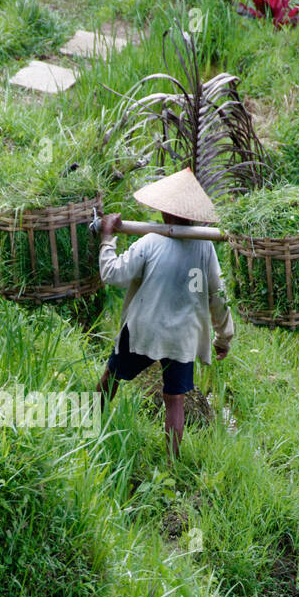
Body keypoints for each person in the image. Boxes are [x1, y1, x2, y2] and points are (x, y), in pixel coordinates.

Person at [97, 167, 234, 459]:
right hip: (182, 338)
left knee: (111, 377)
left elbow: (113, 275)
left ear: (166, 214)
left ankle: (89, 425)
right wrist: (224, 337)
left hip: (144, 331)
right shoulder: (204, 247)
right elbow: (217, 296)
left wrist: (108, 238)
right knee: (175, 400)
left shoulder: (149, 242)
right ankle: (173, 463)